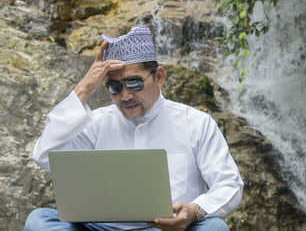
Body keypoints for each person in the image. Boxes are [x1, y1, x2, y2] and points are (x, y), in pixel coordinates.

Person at [25, 25, 243, 231]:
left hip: (168, 230)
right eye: (115, 87)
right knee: (39, 221)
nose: (126, 96)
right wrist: (82, 90)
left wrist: (194, 211)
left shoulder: (196, 123)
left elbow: (229, 184)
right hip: (99, 228)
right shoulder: (95, 123)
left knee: (214, 228)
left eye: (135, 83)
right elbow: (44, 156)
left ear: (159, 77)